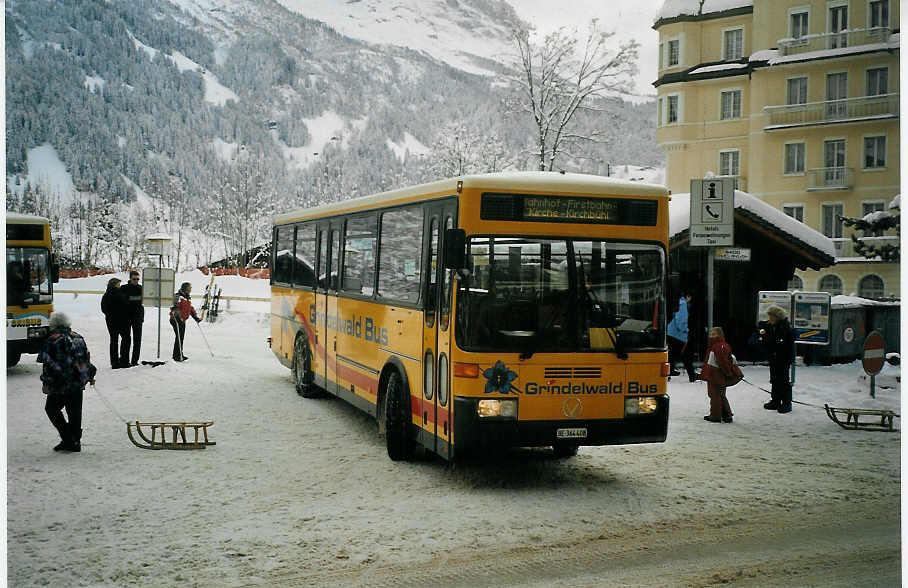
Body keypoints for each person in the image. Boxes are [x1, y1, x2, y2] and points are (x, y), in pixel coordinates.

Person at [37, 312, 96, 452]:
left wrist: (46, 382)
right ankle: (75, 441)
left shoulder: (52, 340)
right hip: (78, 382)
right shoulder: (78, 337)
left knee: (51, 409)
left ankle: (68, 438)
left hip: (60, 382)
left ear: (54, 324)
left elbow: (49, 364)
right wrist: (89, 375)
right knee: (74, 412)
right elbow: (86, 359)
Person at [758, 305, 794, 413]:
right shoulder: (770, 326)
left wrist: (766, 337)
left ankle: (787, 403)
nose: (770, 319)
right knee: (774, 379)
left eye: (771, 317)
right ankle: (775, 400)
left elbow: (779, 342)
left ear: (777, 317)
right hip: (773, 357)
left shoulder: (785, 327)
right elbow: (763, 332)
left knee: (783, 380)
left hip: (783, 358)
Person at [699, 326, 734, 423]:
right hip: (717, 373)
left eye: (714, 334)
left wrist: (727, 372)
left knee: (714, 395)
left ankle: (715, 415)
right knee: (720, 394)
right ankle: (726, 414)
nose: (711, 336)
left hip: (715, 374)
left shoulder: (717, 346)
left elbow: (722, 361)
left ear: (720, 335)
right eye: (710, 334)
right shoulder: (721, 345)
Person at [667, 291, 697, 382]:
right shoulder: (683, 305)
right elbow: (681, 320)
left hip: (672, 332)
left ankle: (668, 372)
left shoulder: (678, 303)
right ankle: (692, 375)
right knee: (686, 354)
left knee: (671, 354)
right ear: (688, 296)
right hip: (679, 334)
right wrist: (685, 330)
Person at [101, 277, 129, 368]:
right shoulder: (119, 294)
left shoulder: (106, 294)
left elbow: (103, 308)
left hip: (110, 320)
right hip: (121, 320)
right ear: (115, 284)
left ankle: (114, 362)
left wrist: (109, 315)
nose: (119, 286)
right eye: (118, 284)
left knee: (114, 340)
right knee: (126, 338)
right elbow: (125, 305)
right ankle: (124, 360)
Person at [170, 282, 201, 362]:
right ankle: (177, 356)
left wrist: (195, 318)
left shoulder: (187, 297)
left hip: (182, 320)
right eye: (190, 288)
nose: (190, 289)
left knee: (180, 337)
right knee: (179, 337)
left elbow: (190, 308)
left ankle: (179, 354)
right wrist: (178, 316)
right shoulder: (178, 296)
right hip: (176, 320)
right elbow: (174, 307)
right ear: (186, 288)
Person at [119, 270, 144, 366]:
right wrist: (137, 298)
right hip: (126, 317)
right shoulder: (124, 288)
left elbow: (143, 299)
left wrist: (133, 299)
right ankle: (124, 360)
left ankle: (135, 361)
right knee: (126, 340)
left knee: (137, 340)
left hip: (138, 317)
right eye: (134, 279)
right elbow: (124, 300)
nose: (136, 281)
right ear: (130, 278)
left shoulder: (141, 288)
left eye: (138, 279)